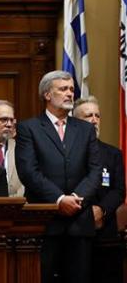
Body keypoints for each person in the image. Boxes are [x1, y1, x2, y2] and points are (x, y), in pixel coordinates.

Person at [15, 70, 101, 283]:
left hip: (79, 221)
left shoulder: (85, 129)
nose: (70, 93)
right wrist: (59, 200)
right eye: (63, 89)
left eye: (71, 89)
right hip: (44, 222)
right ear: (47, 94)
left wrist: (76, 198)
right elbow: (28, 171)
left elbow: (95, 170)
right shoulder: (29, 128)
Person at [73, 96, 125, 283]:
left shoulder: (113, 153)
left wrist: (101, 210)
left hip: (105, 233)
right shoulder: (67, 154)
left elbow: (119, 190)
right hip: (75, 230)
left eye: (97, 115)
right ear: (75, 121)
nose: (94, 120)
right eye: (88, 116)